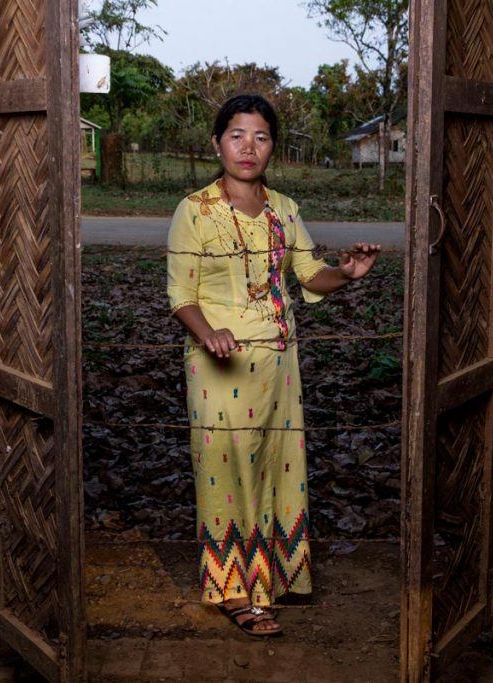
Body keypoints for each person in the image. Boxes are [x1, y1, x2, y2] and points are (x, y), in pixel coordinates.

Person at [166, 94, 381, 637]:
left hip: (281, 366)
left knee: (275, 469)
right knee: (225, 472)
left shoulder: (284, 209)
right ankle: (234, 589)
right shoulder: (195, 209)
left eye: (260, 137)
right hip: (220, 365)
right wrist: (208, 331)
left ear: (272, 148)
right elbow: (180, 295)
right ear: (217, 142)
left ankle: (274, 576)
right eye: (236, 134)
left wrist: (347, 273)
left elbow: (309, 276)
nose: (248, 147)